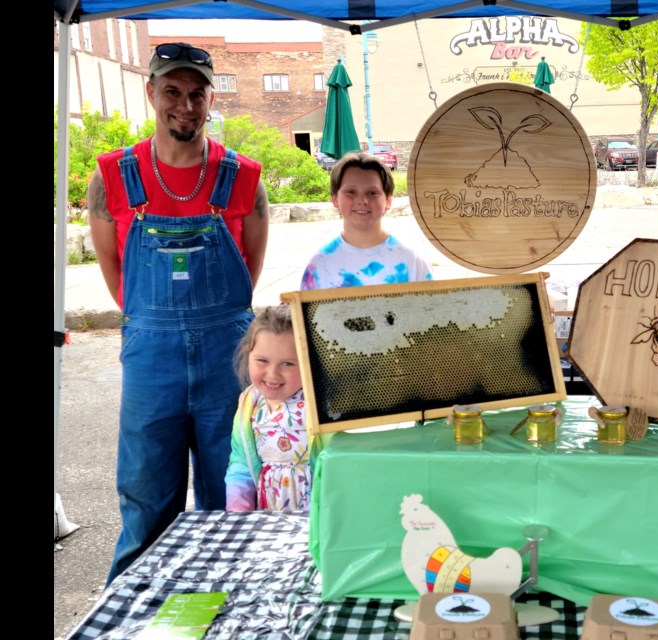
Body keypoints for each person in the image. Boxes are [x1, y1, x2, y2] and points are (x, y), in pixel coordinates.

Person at [87, 42, 270, 583]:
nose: (185, 106)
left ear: (211, 100)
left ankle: (233, 602)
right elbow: (116, 275)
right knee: (145, 496)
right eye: (172, 91)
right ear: (151, 93)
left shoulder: (243, 178)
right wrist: (157, 322)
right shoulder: (114, 176)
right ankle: (137, 607)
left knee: (231, 489)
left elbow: (247, 273)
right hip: (150, 357)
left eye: (197, 94)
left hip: (227, 356)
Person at [225, 305, 318, 512]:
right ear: (247, 353)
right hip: (270, 515)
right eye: (262, 361)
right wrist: (239, 513)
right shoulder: (249, 403)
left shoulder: (319, 404)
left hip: (319, 513)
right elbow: (241, 466)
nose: (273, 374)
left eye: (288, 364)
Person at [300, 152, 433, 290]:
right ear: (335, 199)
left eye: (372, 193)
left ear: (388, 201)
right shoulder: (318, 267)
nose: (362, 201)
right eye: (351, 192)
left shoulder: (414, 264)